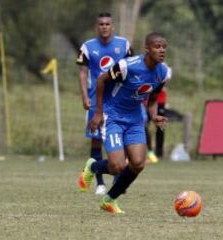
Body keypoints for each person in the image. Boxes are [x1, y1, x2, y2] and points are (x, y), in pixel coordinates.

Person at [78, 32, 171, 214]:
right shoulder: (127, 66)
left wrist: (153, 116)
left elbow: (152, 98)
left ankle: (109, 199)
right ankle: (92, 166)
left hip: (135, 118)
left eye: (164, 47)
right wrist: (97, 113)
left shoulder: (163, 72)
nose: (162, 51)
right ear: (147, 49)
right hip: (112, 115)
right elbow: (101, 80)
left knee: (138, 163)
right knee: (117, 166)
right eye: (157, 47)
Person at [76, 12, 132, 195]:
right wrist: (85, 96)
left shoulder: (123, 45)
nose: (104, 27)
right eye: (101, 24)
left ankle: (117, 181)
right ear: (97, 27)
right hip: (96, 102)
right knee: (97, 141)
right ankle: (100, 183)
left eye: (107, 24)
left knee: (121, 141)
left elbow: (131, 69)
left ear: (112, 26)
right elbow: (83, 73)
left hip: (119, 101)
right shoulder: (88, 47)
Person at [145, 87, 167, 163]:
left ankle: (158, 154)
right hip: (144, 101)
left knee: (160, 127)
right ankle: (149, 152)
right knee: (144, 126)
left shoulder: (162, 76)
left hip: (159, 101)